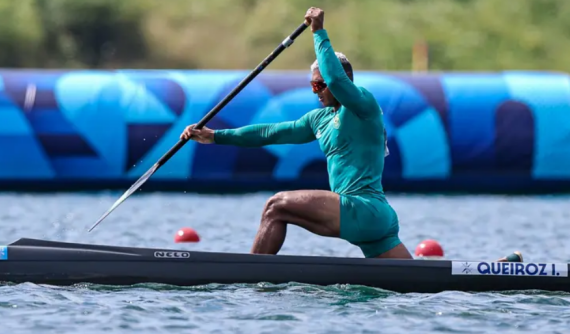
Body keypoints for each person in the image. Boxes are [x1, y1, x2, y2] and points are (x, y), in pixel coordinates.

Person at [180, 7, 523, 264]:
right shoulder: (319, 118)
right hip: (372, 219)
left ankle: (250, 275)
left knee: (275, 206)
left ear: (337, 81)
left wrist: (319, 33)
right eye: (312, 84)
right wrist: (215, 137)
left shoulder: (362, 106)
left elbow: (337, 79)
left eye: (319, 84)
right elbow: (270, 132)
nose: (315, 90)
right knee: (420, 281)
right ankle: (498, 270)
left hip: (362, 208)